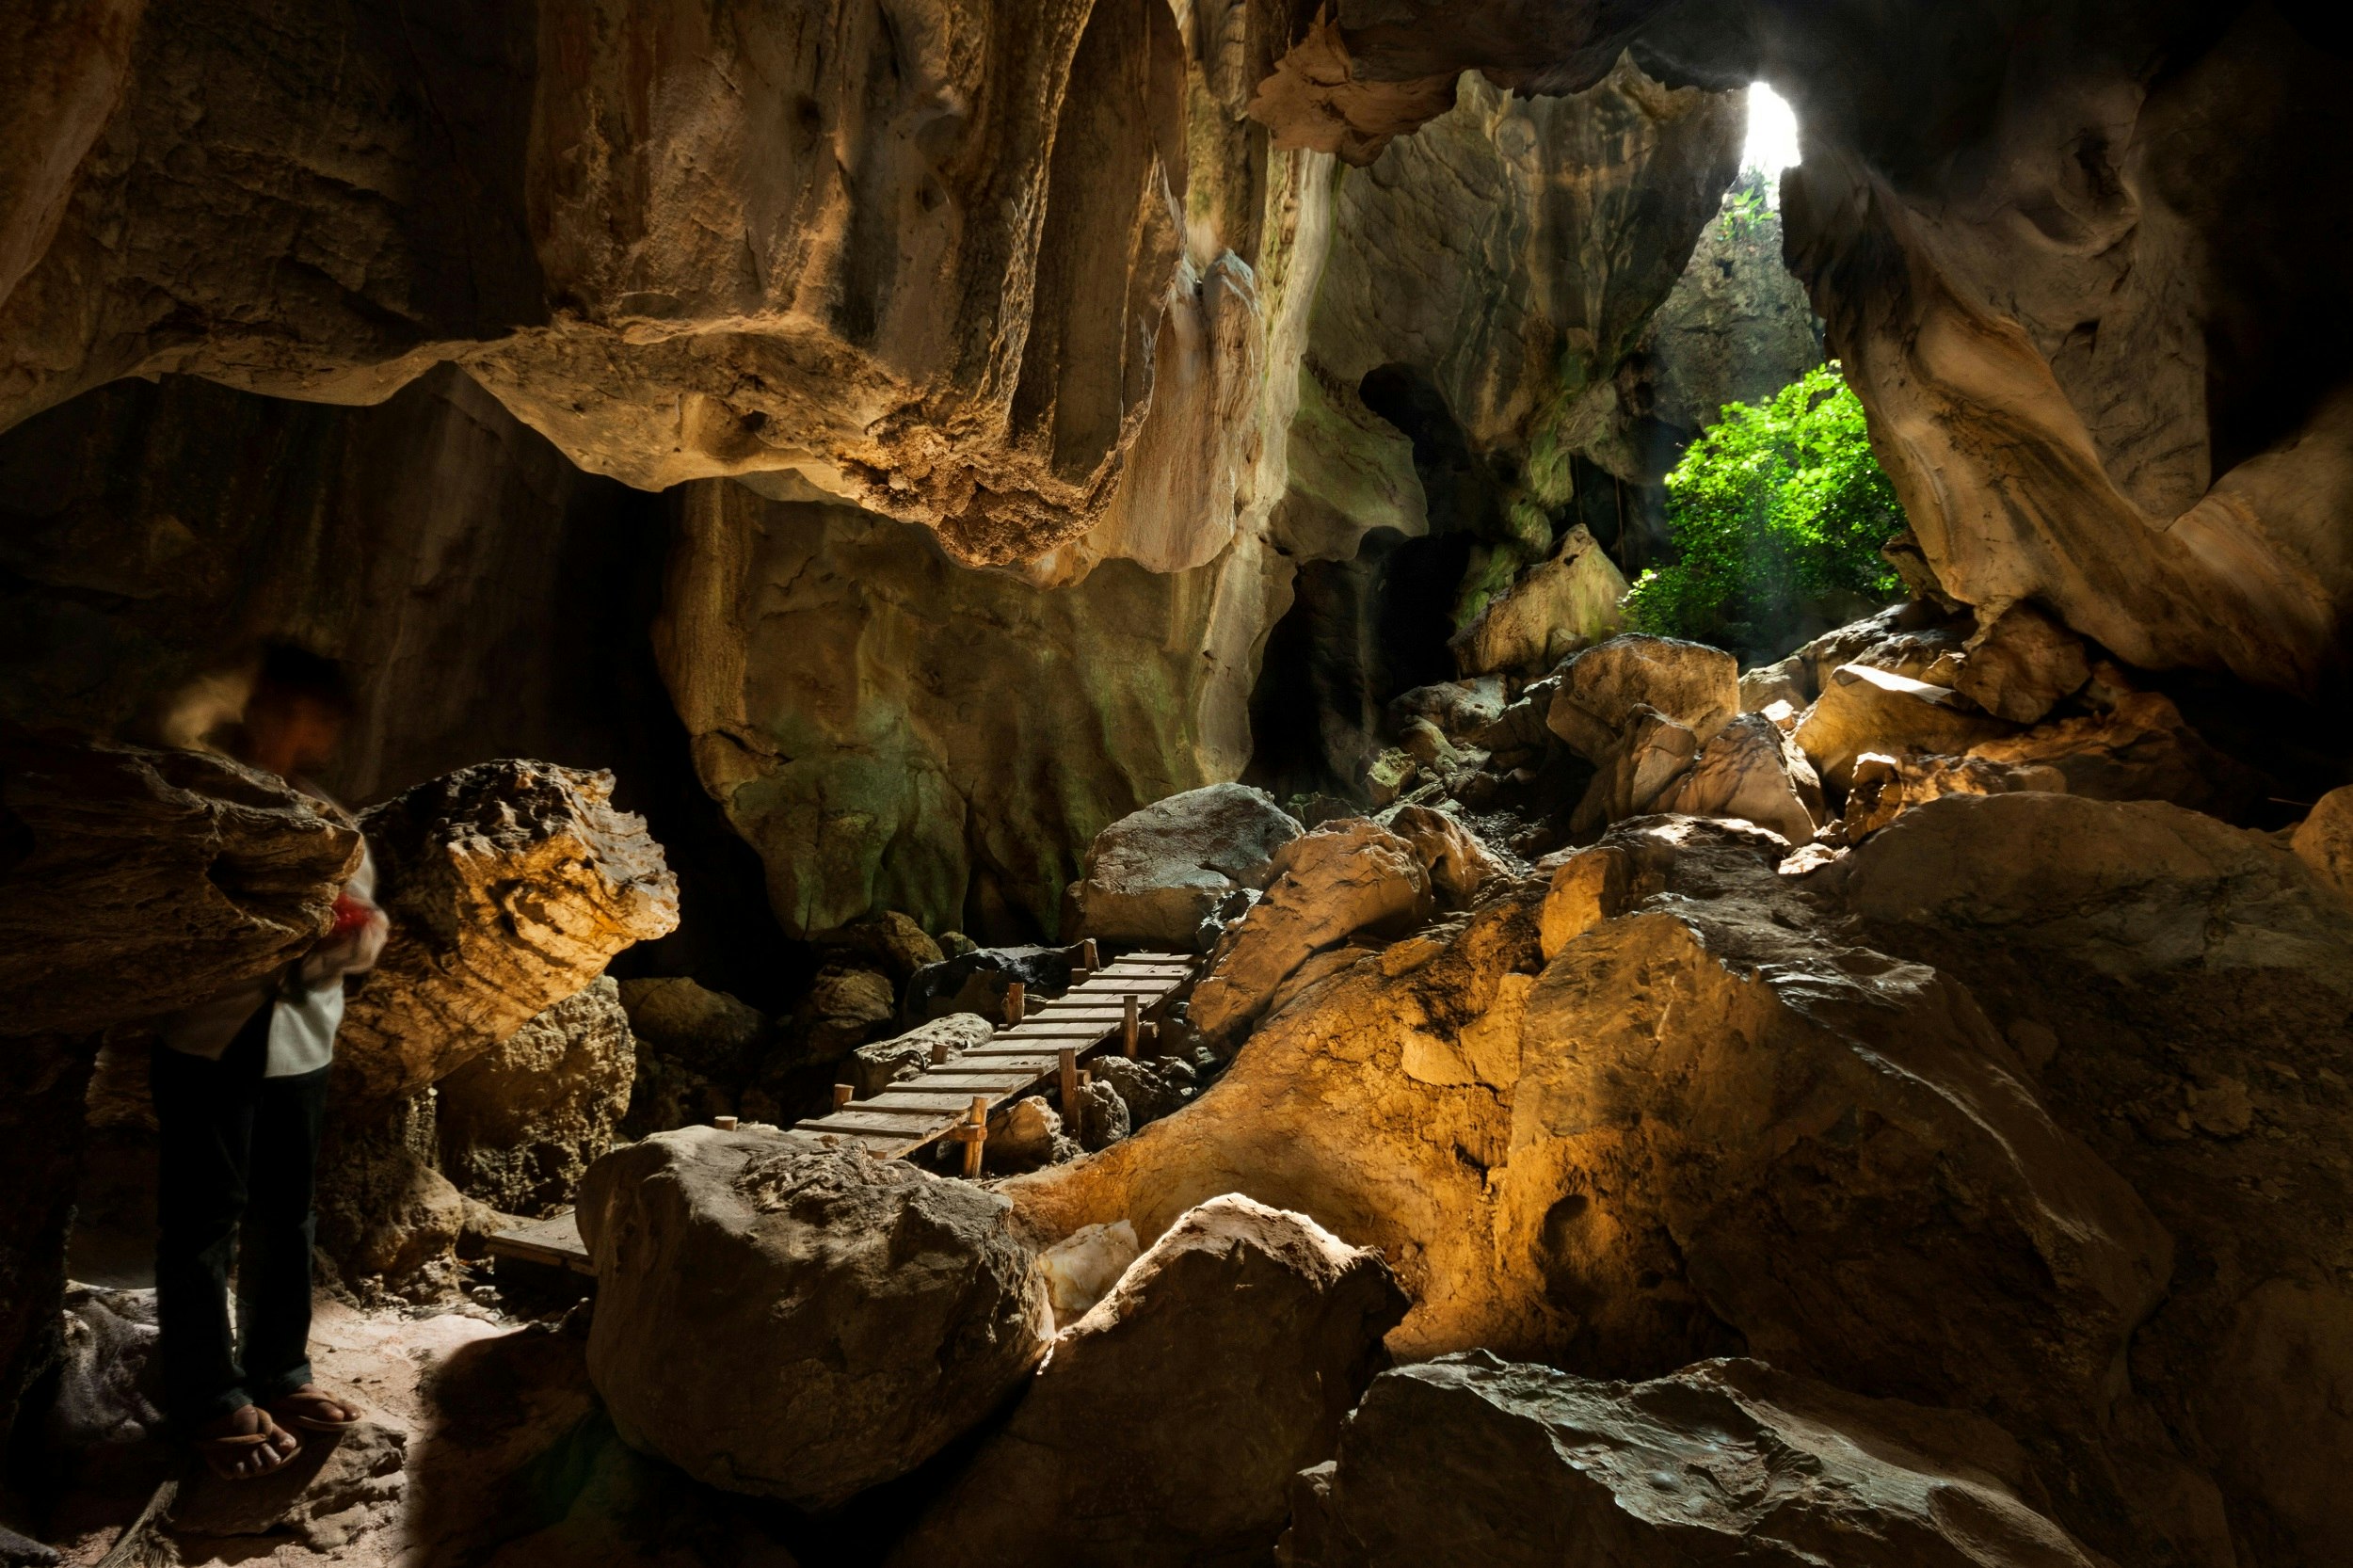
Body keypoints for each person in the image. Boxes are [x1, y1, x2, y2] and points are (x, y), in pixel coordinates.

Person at [154, 644, 388, 1480]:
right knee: (202, 1219)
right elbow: (181, 919)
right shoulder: (202, 798)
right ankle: (205, 1393)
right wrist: (300, 935)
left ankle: (278, 1371)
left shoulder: (328, 821)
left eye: (316, 718)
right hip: (208, 1035)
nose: (302, 728)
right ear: (257, 707)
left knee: (287, 1212)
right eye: (288, 708)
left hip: (299, 1043)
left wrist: (332, 943)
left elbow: (368, 928)